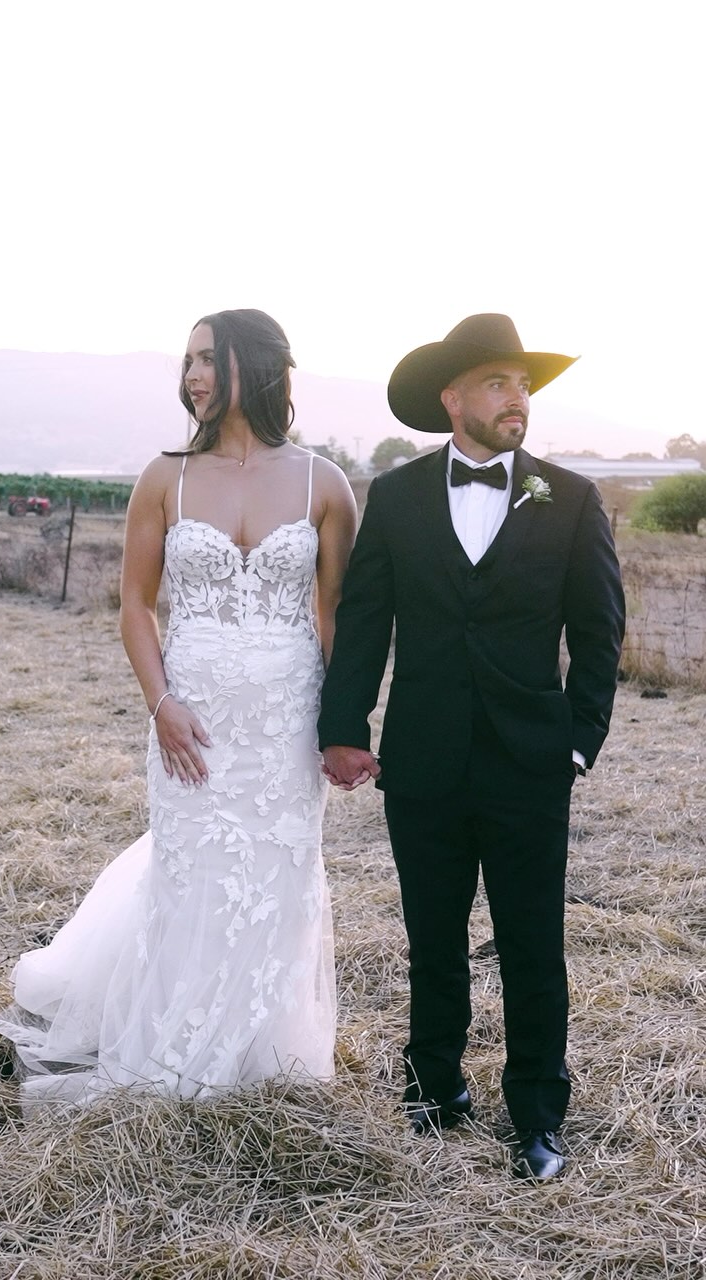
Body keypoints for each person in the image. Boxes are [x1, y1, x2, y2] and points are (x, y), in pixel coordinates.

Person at [0, 308, 357, 1105]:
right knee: (192, 877)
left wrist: (343, 728)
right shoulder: (167, 478)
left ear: (252, 366)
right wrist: (161, 706)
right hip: (192, 723)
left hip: (287, 729)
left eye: (206, 359)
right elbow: (134, 606)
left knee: (277, 881)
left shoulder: (324, 482)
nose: (190, 375)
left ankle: (262, 1053)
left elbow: (336, 618)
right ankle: (170, 1045)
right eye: (186, 361)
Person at [318, 313, 625, 1181]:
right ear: (452, 398)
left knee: (533, 941)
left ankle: (536, 1113)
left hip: (532, 760)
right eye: (498, 382)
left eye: (524, 384)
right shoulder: (400, 495)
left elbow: (600, 634)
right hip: (424, 758)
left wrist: (579, 742)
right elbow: (368, 617)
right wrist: (344, 729)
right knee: (432, 935)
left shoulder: (569, 498)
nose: (517, 398)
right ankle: (433, 1091)